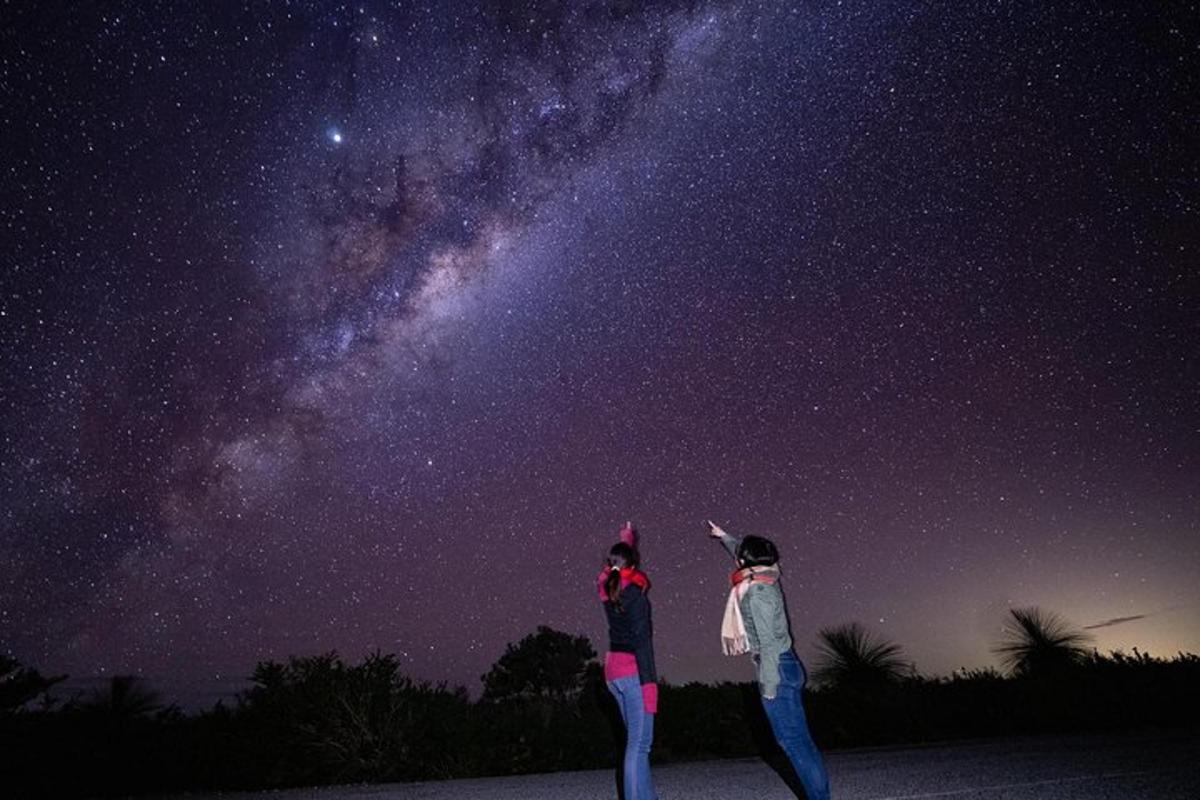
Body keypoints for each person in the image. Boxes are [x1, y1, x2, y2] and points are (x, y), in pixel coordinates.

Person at [707, 520, 829, 800]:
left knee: (794, 744)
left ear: (745, 562)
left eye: (739, 556)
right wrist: (724, 536)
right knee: (802, 743)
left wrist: (769, 686)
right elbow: (742, 550)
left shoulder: (757, 594)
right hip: (789, 665)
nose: (737, 558)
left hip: (777, 670)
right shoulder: (768, 574)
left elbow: (770, 645)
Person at [598, 521, 658, 800]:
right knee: (639, 744)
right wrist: (650, 687)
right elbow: (643, 644)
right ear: (632, 566)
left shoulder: (607, 587)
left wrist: (627, 540)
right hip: (634, 670)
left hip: (612, 670)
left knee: (635, 741)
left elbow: (620, 566)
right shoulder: (636, 597)